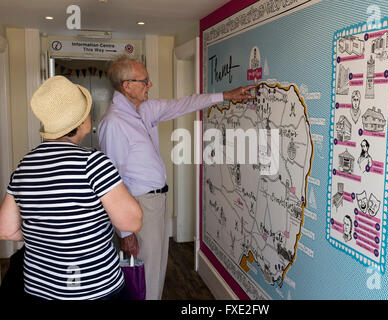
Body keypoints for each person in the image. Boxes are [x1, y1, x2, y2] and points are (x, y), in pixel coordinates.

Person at [98, 56, 256, 300]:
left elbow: (185, 104)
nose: (149, 85)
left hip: (157, 201)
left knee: (157, 266)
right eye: (145, 81)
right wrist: (125, 233)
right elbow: (111, 182)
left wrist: (225, 96)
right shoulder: (114, 122)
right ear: (127, 86)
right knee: (145, 270)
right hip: (138, 205)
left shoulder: (145, 109)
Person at [0, 76, 143, 300]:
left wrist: (47, 237)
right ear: (82, 121)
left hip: (40, 289)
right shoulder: (93, 163)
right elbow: (131, 221)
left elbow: (6, 230)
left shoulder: (24, 166)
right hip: (95, 288)